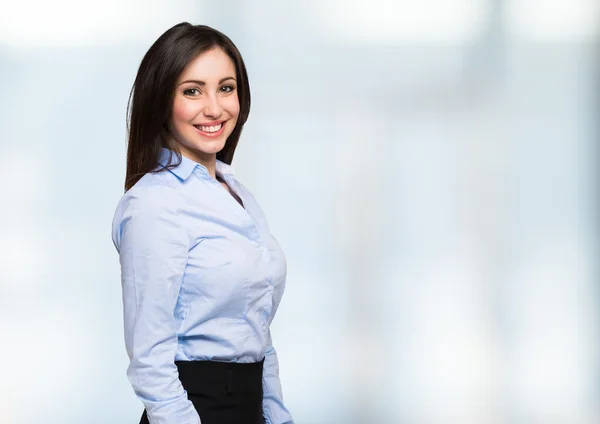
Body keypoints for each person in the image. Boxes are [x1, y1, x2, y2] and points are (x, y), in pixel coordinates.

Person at [111, 22, 294, 424]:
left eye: (226, 88)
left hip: (249, 406)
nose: (214, 108)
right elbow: (150, 360)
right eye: (192, 91)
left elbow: (257, 335)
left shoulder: (236, 193)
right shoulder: (153, 204)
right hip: (194, 410)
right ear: (161, 100)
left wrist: (277, 416)